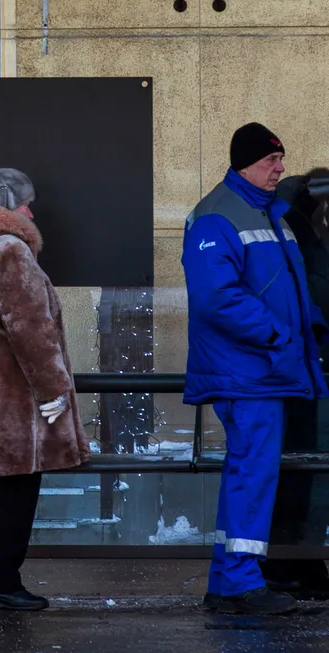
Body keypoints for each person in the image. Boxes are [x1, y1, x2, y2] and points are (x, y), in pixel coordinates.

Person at [184, 123, 329, 615]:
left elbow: (290, 290)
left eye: (282, 159)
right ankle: (238, 585)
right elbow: (214, 297)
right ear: (246, 162)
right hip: (247, 372)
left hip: (264, 370)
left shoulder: (269, 214)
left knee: (253, 474)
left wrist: (312, 328)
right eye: (272, 161)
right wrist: (278, 335)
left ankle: (232, 580)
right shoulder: (216, 216)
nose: (281, 168)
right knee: (252, 475)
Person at [0, 168, 90, 611]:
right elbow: (30, 330)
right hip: (12, 399)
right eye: (26, 203)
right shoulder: (9, 250)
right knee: (16, 489)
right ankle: (2, 583)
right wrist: (53, 389)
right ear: (6, 204)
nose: (31, 212)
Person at [260, 169, 329, 598]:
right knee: (300, 469)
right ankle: (290, 562)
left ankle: (300, 560)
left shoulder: (301, 231)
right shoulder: (295, 229)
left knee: (305, 469)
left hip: (307, 365)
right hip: (303, 366)